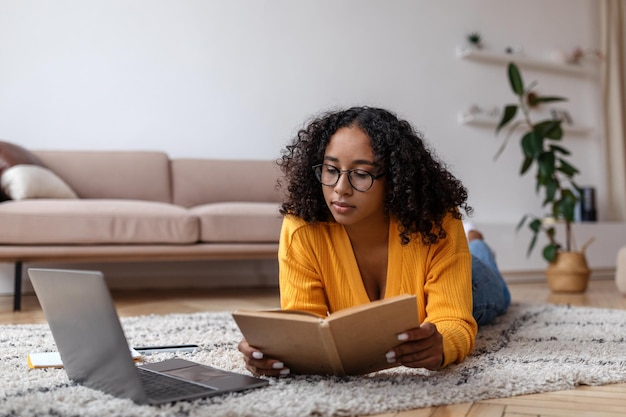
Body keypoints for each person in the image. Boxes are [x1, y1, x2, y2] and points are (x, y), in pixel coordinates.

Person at [238, 106, 510, 377]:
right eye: (331, 169)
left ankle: (475, 242)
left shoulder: (437, 227)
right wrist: (277, 352)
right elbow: (305, 322)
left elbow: (453, 320)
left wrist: (442, 345)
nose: (340, 189)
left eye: (361, 174)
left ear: (394, 178)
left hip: (472, 282)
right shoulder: (302, 229)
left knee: (497, 295)